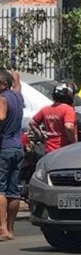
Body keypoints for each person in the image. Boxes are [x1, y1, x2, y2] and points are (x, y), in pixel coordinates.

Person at [0, 69, 24, 241]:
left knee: (0, 188)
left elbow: (1, 117)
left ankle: (2, 229)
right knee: (13, 190)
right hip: (18, 147)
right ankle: (11, 228)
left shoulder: (2, 98)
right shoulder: (17, 96)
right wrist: (15, 76)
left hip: (5, 147)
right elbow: (17, 83)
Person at [29, 83, 77, 154]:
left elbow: (32, 123)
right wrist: (73, 142)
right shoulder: (68, 109)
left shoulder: (45, 109)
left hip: (48, 149)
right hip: (64, 150)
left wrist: (41, 137)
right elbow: (68, 127)